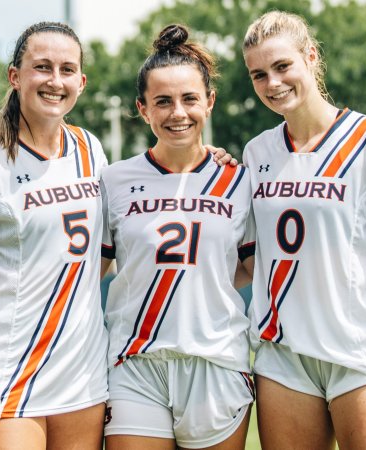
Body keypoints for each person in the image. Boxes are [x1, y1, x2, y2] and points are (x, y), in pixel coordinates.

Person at [239, 10, 366, 450]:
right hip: (283, 356)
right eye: (259, 74)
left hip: (361, 352)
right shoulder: (256, 152)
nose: (273, 83)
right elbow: (247, 259)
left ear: (311, 56)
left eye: (282, 66)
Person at [0, 22, 109, 449]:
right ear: (15, 77)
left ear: (82, 83)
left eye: (67, 70)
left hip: (81, 375)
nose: (55, 81)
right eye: (42, 67)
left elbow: (98, 253)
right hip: (5, 374)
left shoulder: (91, 149)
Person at [100, 24, 254, 450]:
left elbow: (245, 269)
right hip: (136, 364)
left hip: (216, 362)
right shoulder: (113, 180)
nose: (177, 113)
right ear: (142, 108)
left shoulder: (239, 181)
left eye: (189, 99)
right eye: (162, 102)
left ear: (209, 101)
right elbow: (89, 271)